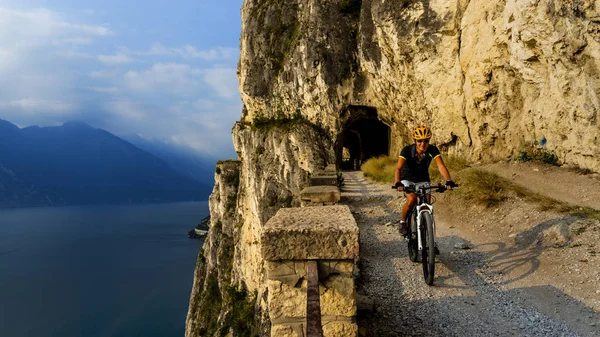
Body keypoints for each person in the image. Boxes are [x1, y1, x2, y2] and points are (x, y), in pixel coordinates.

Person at [394, 125, 456, 238]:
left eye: (426, 141)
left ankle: (430, 240)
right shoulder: (407, 150)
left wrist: (448, 180)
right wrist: (398, 183)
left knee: (427, 205)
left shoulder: (432, 150)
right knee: (412, 199)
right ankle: (403, 222)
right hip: (407, 179)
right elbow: (398, 168)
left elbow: (440, 166)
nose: (423, 144)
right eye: (419, 141)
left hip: (423, 179)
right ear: (414, 141)